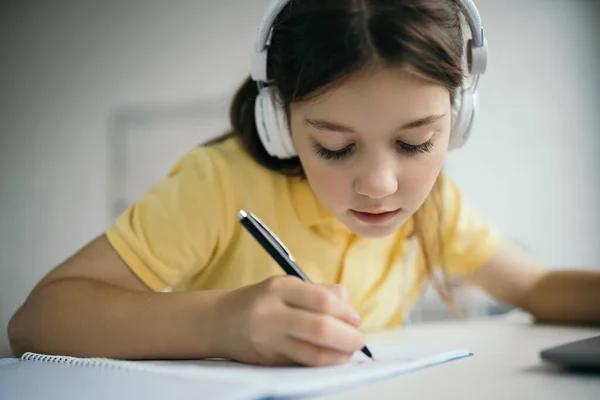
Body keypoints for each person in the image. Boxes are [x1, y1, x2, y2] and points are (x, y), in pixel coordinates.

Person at [8, 0, 600, 367]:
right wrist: (223, 324)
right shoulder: (217, 185)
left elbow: (537, 285)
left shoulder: (436, 201)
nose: (378, 184)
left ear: (461, 120)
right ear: (281, 122)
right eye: (335, 147)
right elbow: (36, 322)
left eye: (417, 143)